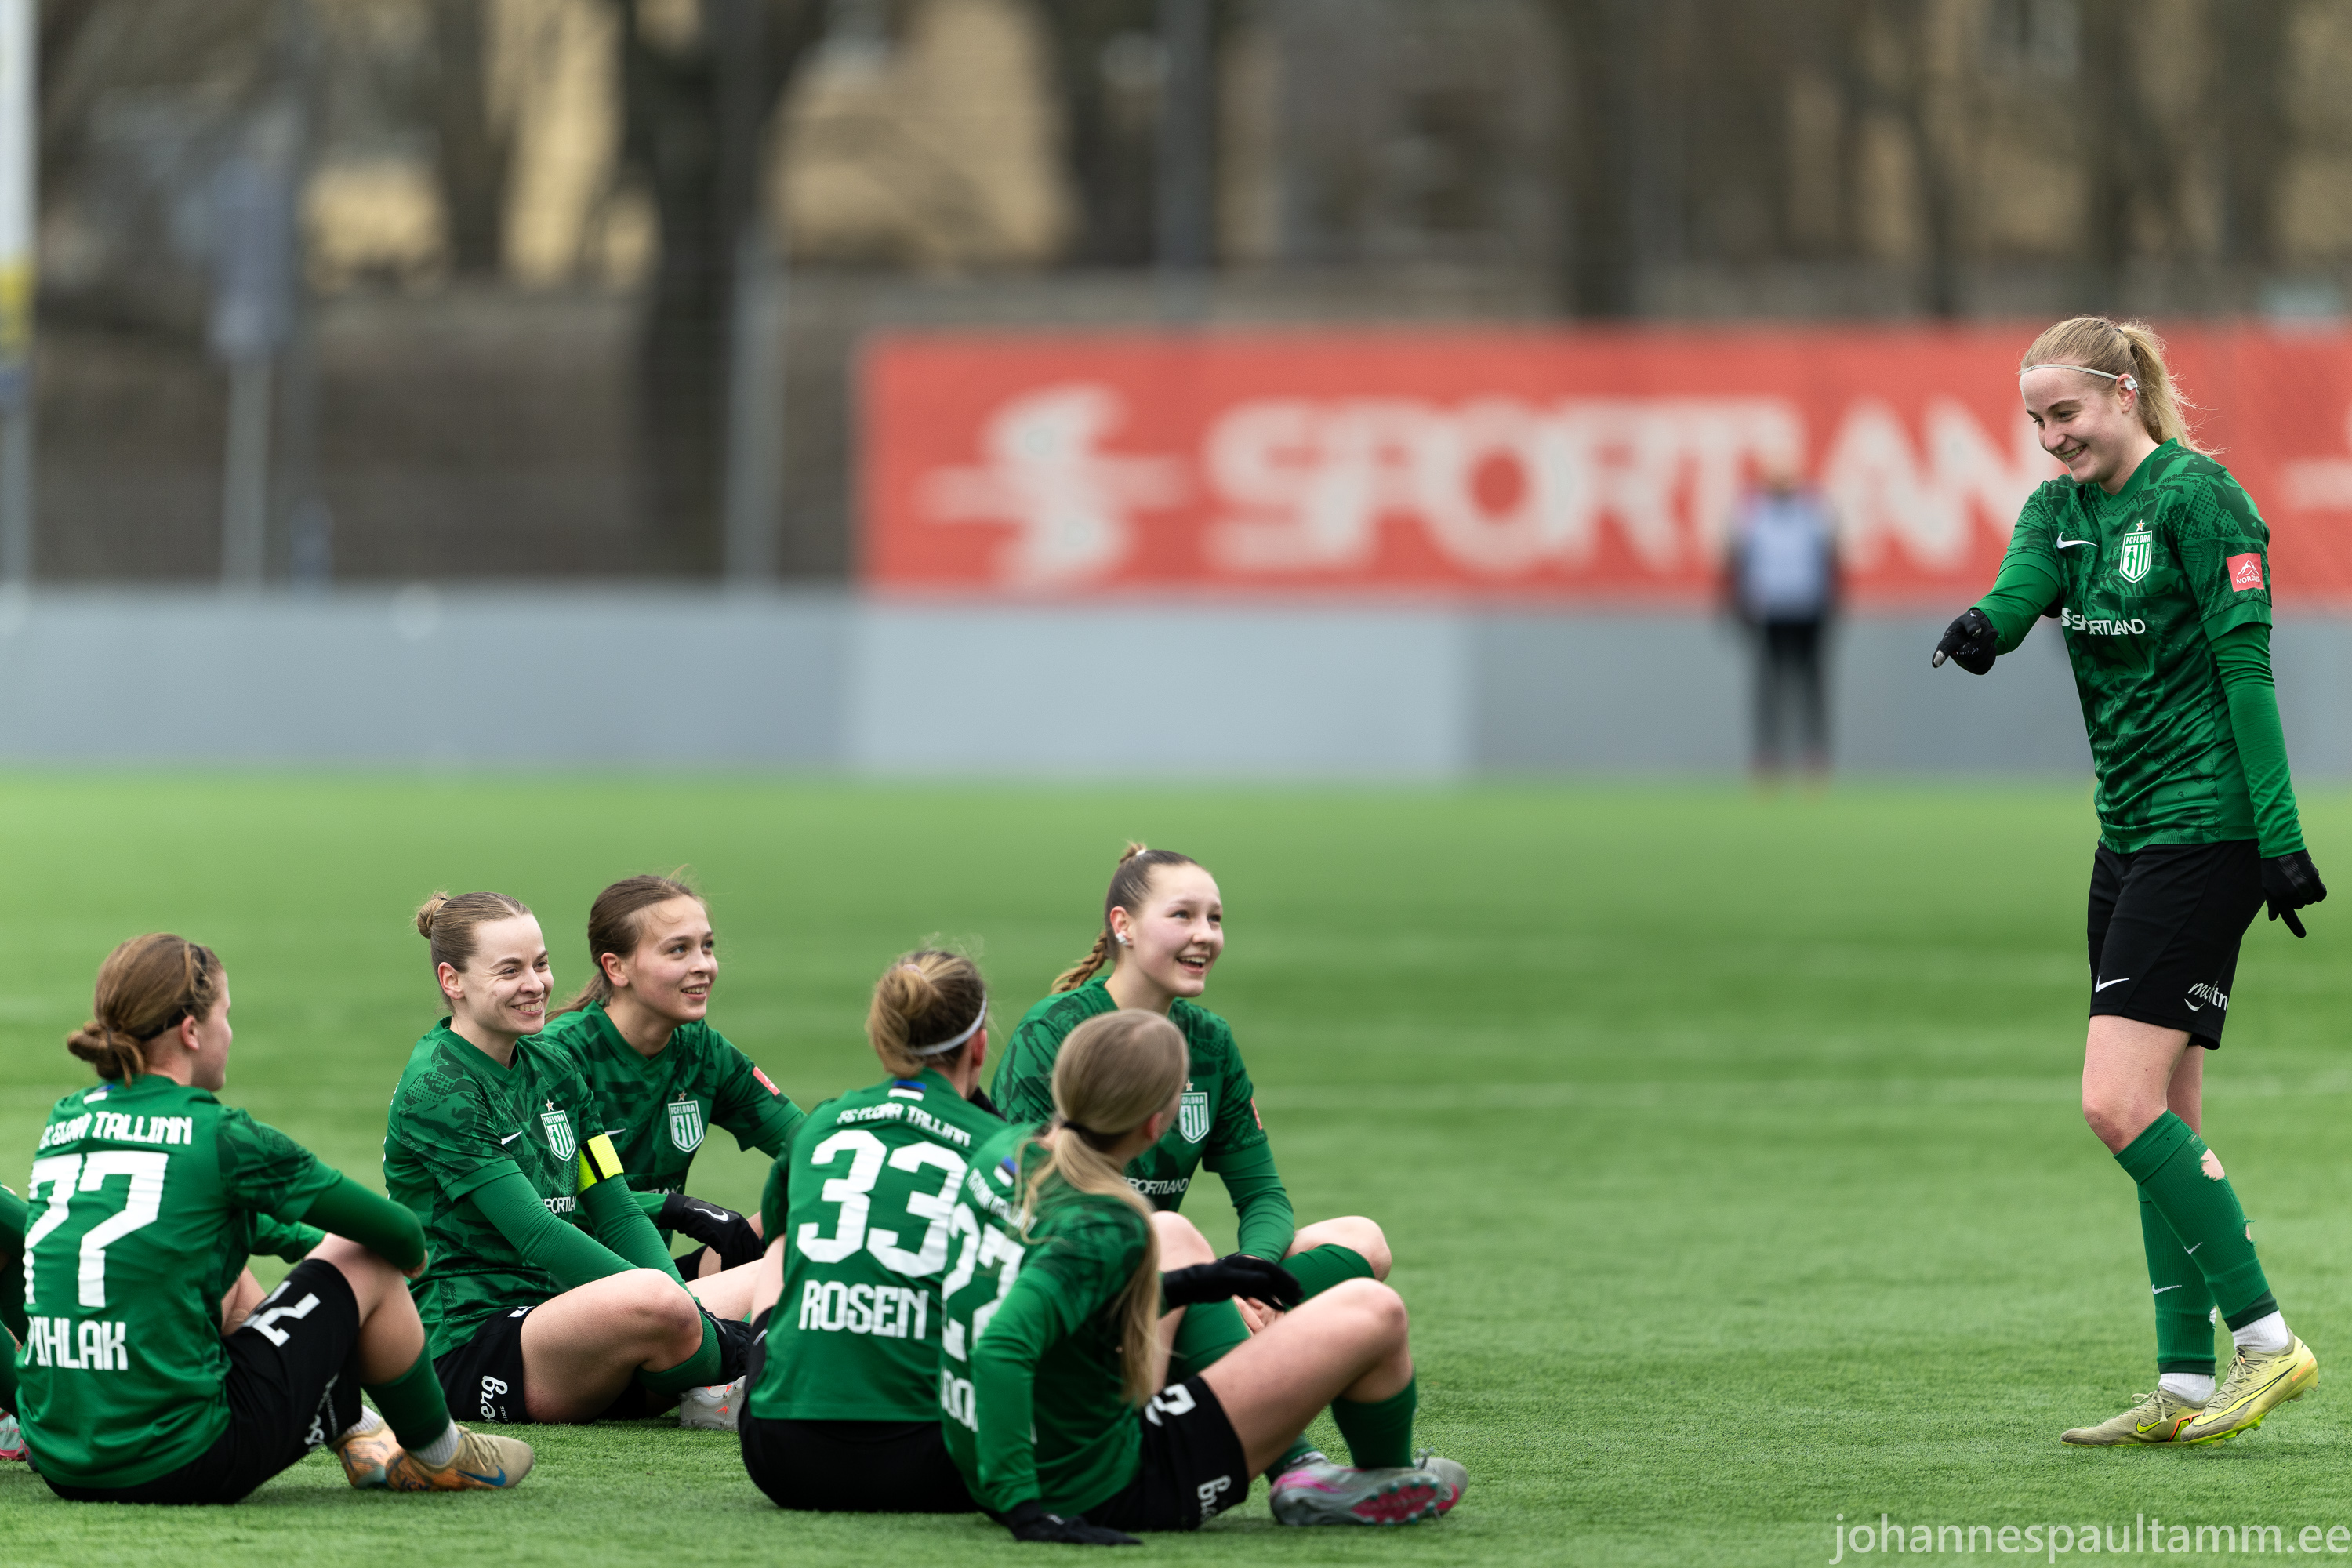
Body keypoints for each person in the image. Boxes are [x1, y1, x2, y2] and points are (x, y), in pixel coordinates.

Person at [1932, 315, 2328, 1446]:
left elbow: (2248, 672)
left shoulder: (2202, 500)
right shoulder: (2056, 512)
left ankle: (2267, 1342)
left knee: (2114, 1103)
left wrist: (2280, 838)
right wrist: (1986, 625)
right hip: (2127, 843)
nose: (2051, 438)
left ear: (2122, 392)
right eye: (2035, 420)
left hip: (2207, 836)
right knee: (2164, 1109)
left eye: (2065, 413)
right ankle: (2186, 1382)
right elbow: (2022, 589)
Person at [18, 933, 532, 1502]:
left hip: (62, 1459)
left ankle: (356, 1428)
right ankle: (441, 1453)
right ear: (191, 1032)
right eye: (225, 1016)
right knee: (368, 1257)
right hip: (182, 1460)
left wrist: (307, 1250)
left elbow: (208, 1223)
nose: (228, 1032)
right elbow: (397, 1230)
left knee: (220, 1264)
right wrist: (403, 1261)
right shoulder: (221, 1135)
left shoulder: (65, 1120)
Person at [944, 1010, 1465, 1541]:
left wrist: (1191, 1286)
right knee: (1376, 1310)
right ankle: (1377, 1476)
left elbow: (1071, 1300)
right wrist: (1024, 1511)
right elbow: (1002, 1347)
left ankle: (1305, 1467)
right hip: (1103, 1486)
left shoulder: (1005, 1150)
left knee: (1172, 1232)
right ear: (1156, 1124)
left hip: (1004, 1453)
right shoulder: (1106, 1223)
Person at [992, 844, 1391, 1482]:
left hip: (1176, 1287)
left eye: (1215, 918)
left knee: (1361, 1240)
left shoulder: (1209, 1040)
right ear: (1123, 926)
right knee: (1168, 1235)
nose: (1205, 934)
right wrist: (1203, 1282)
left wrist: (1249, 1275)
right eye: (1182, 915)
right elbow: (1022, 1192)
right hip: (1083, 1283)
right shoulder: (1057, 1031)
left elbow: (1264, 1197)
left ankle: (1216, 1356)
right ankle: (1293, 1465)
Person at [384, 891, 760, 1425]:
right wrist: (686, 1313)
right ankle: (745, 1369)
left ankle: (707, 1380)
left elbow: (617, 1209)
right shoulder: (439, 1088)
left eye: (540, 964)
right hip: (474, 1344)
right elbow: (537, 1234)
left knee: (787, 1269)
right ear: (453, 981)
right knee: (657, 1301)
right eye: (510, 970)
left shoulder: (555, 1067)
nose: (535, 984)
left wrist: (686, 1311)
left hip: (578, 1317)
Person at [737, 949, 1005, 1512]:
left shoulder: (819, 1126)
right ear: (979, 1046)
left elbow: (777, 1247)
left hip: (782, 1455)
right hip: (938, 1461)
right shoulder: (1004, 1148)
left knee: (784, 1243)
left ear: (881, 1042)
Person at [539, 873, 804, 1282]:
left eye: (707, 946)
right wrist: (679, 1209)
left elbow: (809, 1145)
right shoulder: (557, 1056)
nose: (704, 966)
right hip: (554, 1288)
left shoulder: (704, 1051)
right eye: (678, 949)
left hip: (654, 1281)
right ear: (616, 968)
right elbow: (542, 1198)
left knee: (793, 1219)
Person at [1726, 456, 1838, 776]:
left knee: (1811, 685)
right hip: (1770, 610)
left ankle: (1814, 753)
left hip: (1808, 609)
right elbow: (1738, 562)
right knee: (1769, 686)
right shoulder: (1752, 513)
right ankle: (1768, 754)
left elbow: (1829, 560)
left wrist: (1831, 607)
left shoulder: (1814, 510)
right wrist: (1738, 606)